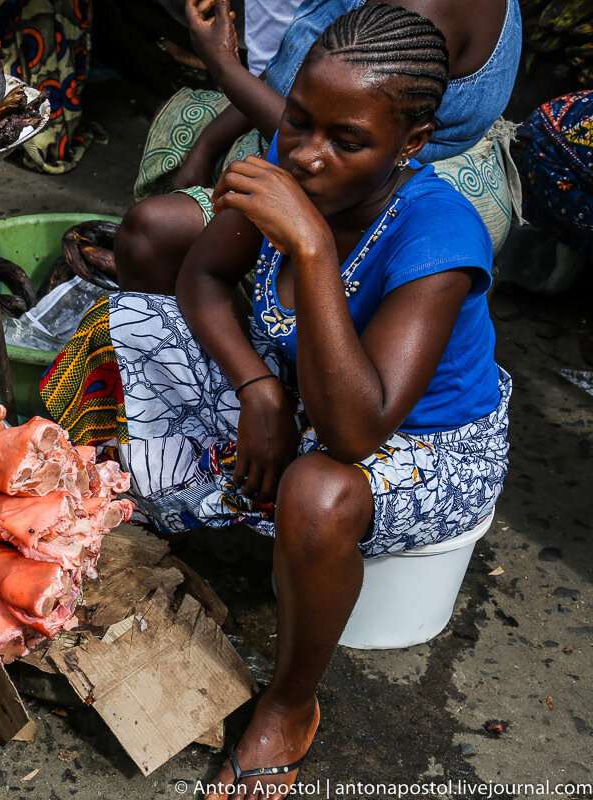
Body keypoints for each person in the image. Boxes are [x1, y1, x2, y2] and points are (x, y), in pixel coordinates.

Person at [40, 5, 510, 796]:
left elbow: (355, 432)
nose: (308, 155)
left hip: (427, 443)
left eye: (347, 141)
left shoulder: (439, 238)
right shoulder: (288, 168)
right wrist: (257, 390)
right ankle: (128, 520)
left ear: (413, 144)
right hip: (295, 389)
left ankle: (290, 704)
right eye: (297, 121)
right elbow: (201, 277)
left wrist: (314, 247)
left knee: (318, 491)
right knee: (124, 321)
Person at [124, 0, 521, 293]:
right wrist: (204, 149)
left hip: (385, 184)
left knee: (155, 235)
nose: (302, 155)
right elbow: (302, 84)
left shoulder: (420, 12)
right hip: (339, 148)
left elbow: (333, 128)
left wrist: (224, 65)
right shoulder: (324, 114)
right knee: (186, 125)